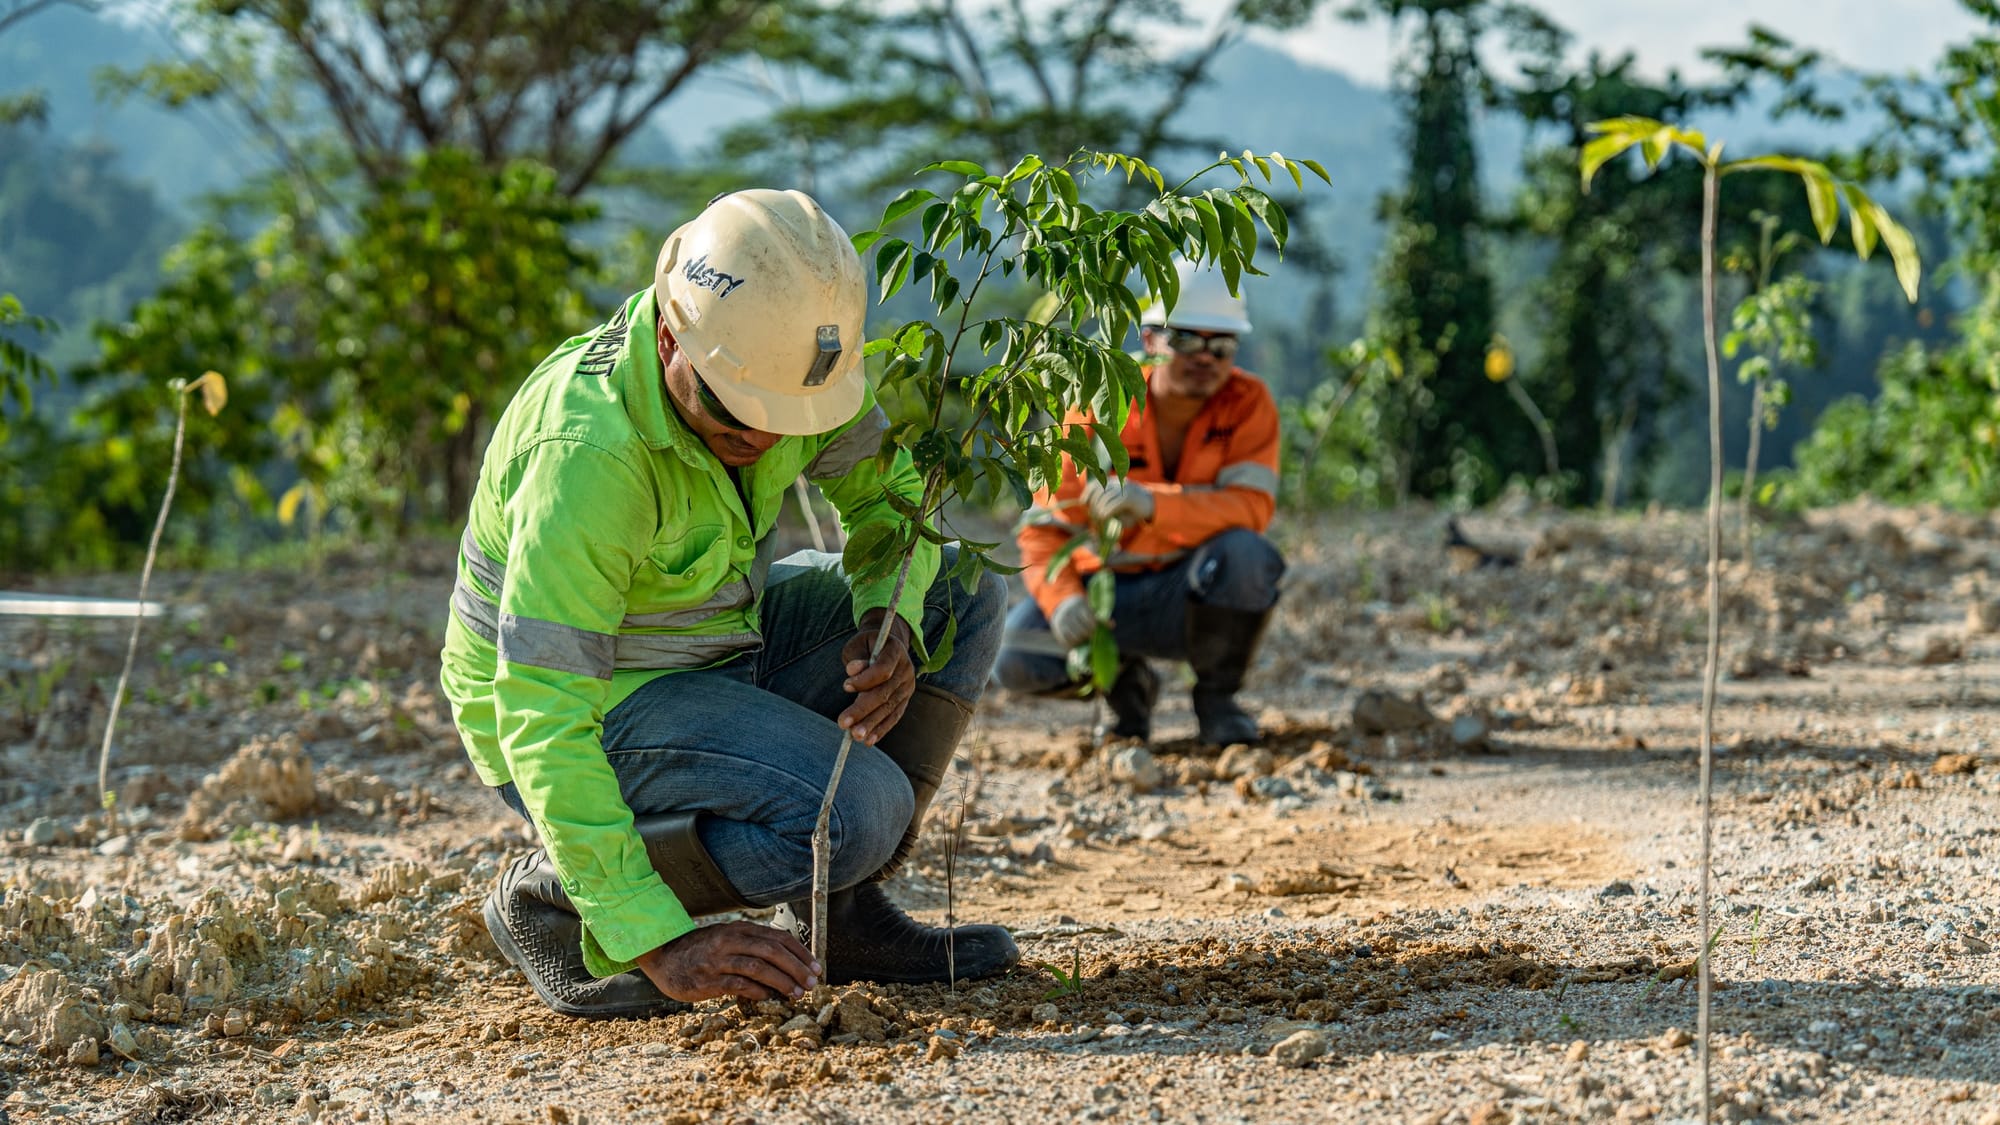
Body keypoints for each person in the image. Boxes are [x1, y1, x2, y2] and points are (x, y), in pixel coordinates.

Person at [440, 189, 1017, 1020]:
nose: (767, 438)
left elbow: (891, 500)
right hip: (589, 703)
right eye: (741, 417)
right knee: (860, 811)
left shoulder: (783, 362)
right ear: (669, 340)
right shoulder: (589, 455)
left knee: (959, 595)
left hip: (713, 643)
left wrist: (885, 620)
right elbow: (542, 707)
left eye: (787, 419)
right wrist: (655, 940)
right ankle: (561, 899)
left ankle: (838, 912)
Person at [994, 260, 1284, 746]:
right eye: (1186, 340)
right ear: (1150, 340)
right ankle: (1128, 691)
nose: (1205, 358)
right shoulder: (1098, 402)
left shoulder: (1248, 403)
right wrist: (1063, 601)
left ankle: (1218, 702)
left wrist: (1156, 505)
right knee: (1016, 658)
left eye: (1220, 345)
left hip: (1188, 595)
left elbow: (1250, 508)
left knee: (1249, 557)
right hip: (1105, 597)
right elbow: (1044, 528)